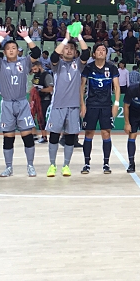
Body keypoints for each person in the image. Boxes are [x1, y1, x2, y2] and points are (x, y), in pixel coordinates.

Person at [0, 26, 41, 177]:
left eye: (14, 48)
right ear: (4, 52)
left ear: (18, 50)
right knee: (8, 137)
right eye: (8, 48)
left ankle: (30, 166)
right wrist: (0, 38)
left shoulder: (25, 62)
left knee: (27, 136)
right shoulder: (0, 64)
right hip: (7, 104)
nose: (11, 50)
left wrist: (26, 37)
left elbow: (36, 52)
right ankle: (8, 167)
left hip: (22, 103)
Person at [46, 30, 90, 177]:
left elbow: (86, 53)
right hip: (58, 105)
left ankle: (66, 165)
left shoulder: (78, 64)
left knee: (71, 137)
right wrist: (65, 40)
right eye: (67, 48)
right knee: (53, 136)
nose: (69, 50)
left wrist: (78, 36)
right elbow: (53, 56)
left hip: (73, 107)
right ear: (62, 50)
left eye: (72, 49)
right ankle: (52, 165)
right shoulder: (57, 65)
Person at [80, 43, 120, 174]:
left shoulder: (112, 68)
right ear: (94, 54)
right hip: (91, 104)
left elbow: (117, 87)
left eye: (104, 50)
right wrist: (82, 104)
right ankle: (86, 164)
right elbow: (81, 87)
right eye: (98, 50)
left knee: (106, 133)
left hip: (106, 105)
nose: (101, 52)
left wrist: (116, 104)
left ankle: (106, 164)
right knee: (89, 133)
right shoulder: (88, 68)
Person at [31, 61, 53, 144]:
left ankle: (44, 137)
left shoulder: (47, 75)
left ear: (39, 66)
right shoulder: (36, 76)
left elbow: (51, 89)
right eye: (33, 70)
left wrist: (40, 90)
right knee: (32, 116)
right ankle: (34, 134)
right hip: (36, 100)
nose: (34, 71)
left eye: (35, 69)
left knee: (41, 118)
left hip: (45, 99)